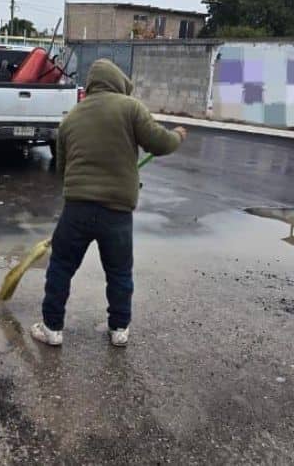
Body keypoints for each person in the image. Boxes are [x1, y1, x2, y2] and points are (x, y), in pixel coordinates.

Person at [31, 59, 186, 348]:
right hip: (117, 210)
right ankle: (119, 329)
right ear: (118, 82)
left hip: (77, 209)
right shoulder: (130, 108)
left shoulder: (71, 118)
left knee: (61, 267)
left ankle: (52, 328)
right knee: (119, 272)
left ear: (91, 85)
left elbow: (62, 169)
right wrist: (177, 135)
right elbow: (160, 144)